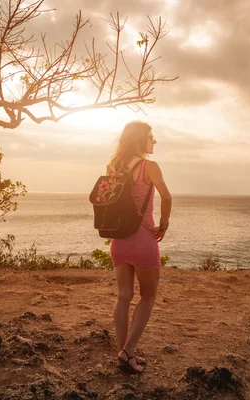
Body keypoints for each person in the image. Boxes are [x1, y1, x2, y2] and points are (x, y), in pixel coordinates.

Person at [107, 121, 172, 374]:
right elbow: (166, 197)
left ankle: (124, 352)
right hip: (143, 239)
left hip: (119, 241)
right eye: (150, 137)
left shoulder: (114, 166)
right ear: (138, 140)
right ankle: (128, 351)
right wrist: (163, 225)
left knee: (123, 296)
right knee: (148, 296)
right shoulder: (149, 166)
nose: (154, 141)